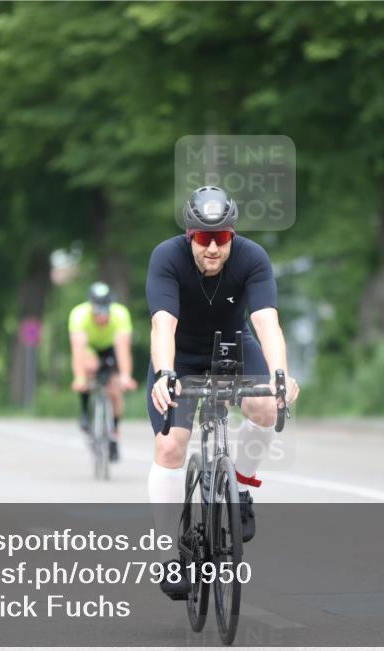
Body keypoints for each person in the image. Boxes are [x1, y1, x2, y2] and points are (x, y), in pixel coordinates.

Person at [145, 185, 300, 598]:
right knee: (170, 448)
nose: (212, 248)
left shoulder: (253, 258)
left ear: (233, 234)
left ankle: (242, 486)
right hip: (179, 356)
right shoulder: (166, 257)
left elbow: (267, 322)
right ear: (188, 236)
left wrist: (281, 373)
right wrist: (164, 373)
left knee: (268, 407)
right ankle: (169, 559)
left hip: (232, 346)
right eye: (202, 238)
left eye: (222, 238)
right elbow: (163, 325)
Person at [68, 282, 138, 461]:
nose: (101, 316)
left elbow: (123, 350)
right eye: (97, 310)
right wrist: (79, 378)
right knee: (89, 367)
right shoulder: (79, 315)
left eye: (105, 310)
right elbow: (78, 350)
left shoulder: (120, 314)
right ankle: (85, 411)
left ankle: (113, 436)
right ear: (91, 306)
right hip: (90, 347)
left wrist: (125, 376)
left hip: (110, 348)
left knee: (114, 390)